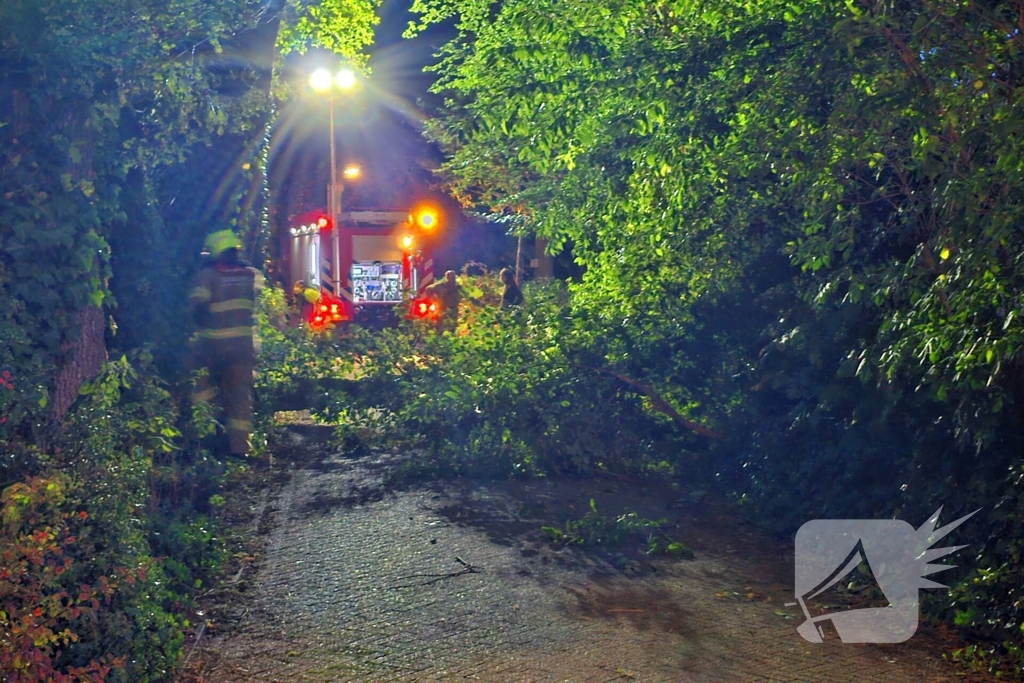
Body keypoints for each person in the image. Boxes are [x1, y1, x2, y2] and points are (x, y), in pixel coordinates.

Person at [189, 230, 262, 459]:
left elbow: (196, 310)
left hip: (212, 346)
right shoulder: (251, 275)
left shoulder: (207, 276)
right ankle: (240, 449)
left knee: (202, 388)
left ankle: (208, 440)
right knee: (240, 396)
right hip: (243, 348)